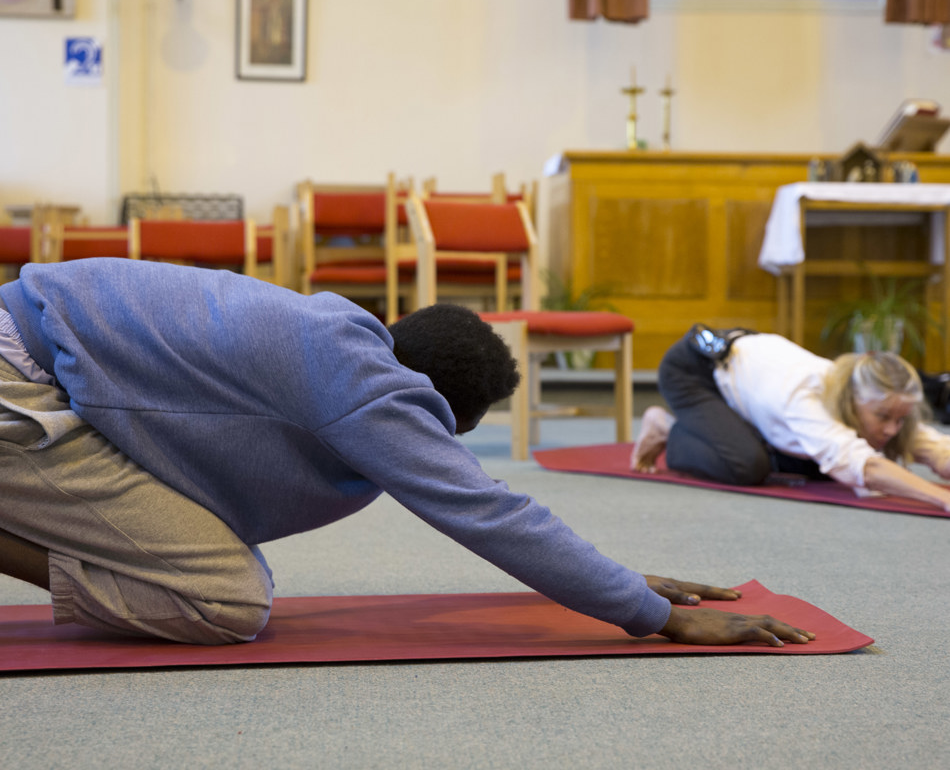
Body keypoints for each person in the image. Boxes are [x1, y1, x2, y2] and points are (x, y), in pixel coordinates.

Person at [0, 259, 814, 648]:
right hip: (18, 387)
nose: (437, 446)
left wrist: (622, 578)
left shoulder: (333, 337)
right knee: (226, 599)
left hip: (43, 368)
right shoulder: (366, 385)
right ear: (428, 404)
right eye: (444, 432)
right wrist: (655, 615)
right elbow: (489, 510)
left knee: (211, 564)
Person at [633, 325, 950, 513]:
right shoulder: (806, 397)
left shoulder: (864, 393)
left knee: (820, 466)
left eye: (900, 419)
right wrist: (941, 498)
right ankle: (667, 427)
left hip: (753, 382)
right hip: (695, 372)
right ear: (853, 400)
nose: (892, 429)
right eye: (883, 417)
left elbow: (934, 447)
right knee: (747, 465)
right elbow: (865, 466)